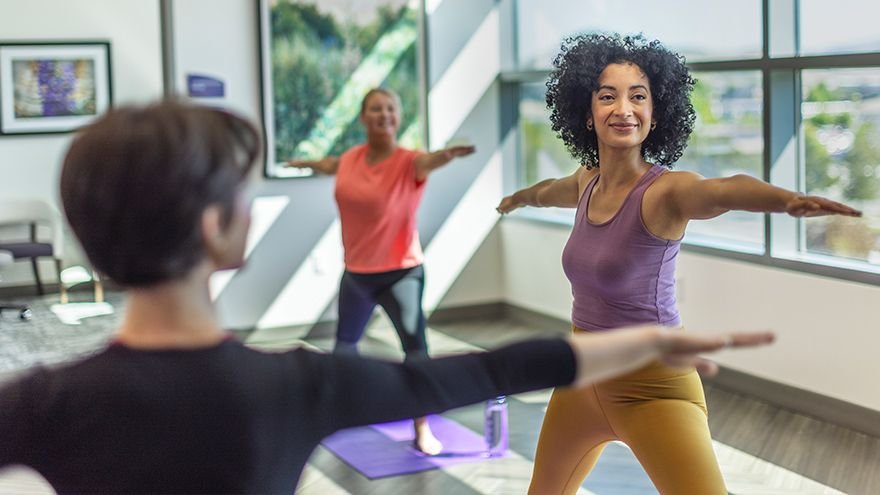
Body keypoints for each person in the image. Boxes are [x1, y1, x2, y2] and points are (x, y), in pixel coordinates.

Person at [0, 100, 774, 494]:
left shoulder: (49, 399)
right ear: (215, 227)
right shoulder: (294, 386)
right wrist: (651, 340)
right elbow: (487, 372)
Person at [496, 33, 861, 495]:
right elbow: (547, 191)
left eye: (638, 97)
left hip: (653, 387)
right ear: (586, 114)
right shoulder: (586, 182)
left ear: (655, 113)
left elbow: (724, 190)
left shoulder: (666, 192)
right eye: (607, 96)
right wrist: (517, 199)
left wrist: (787, 200)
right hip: (582, 378)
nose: (623, 109)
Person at [286, 87, 475, 454]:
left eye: (390, 109)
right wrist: (304, 163)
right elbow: (327, 165)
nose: (383, 115)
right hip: (357, 273)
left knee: (415, 351)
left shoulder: (411, 162)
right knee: (344, 350)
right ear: (363, 117)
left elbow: (431, 161)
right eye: (375, 109)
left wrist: (447, 155)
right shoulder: (350, 160)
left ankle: (422, 428)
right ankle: (337, 414)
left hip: (401, 273)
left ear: (398, 117)